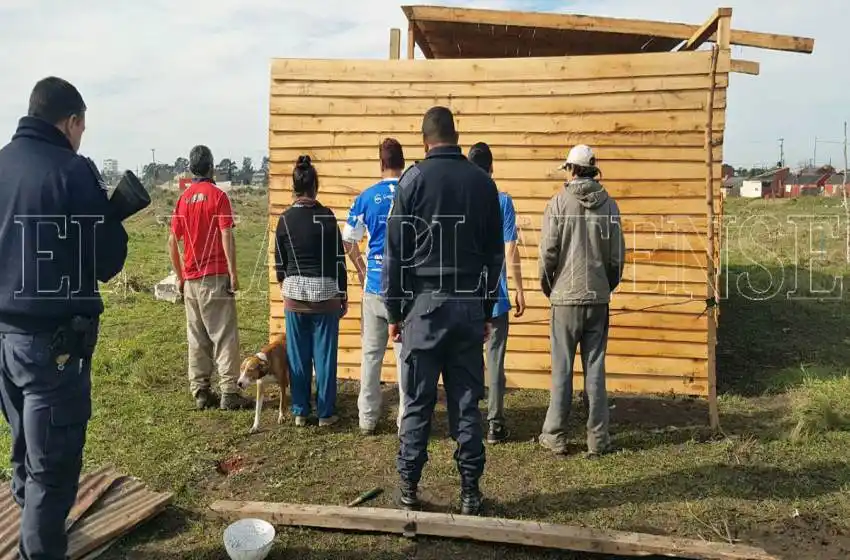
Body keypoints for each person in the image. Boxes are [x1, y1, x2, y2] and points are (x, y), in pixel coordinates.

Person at [0, 77, 128, 560]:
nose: (81, 136)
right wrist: (111, 219)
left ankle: (35, 535)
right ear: (70, 121)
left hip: (5, 342)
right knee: (52, 468)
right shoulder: (70, 171)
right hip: (51, 349)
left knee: (25, 453)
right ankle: (41, 549)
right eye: (82, 127)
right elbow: (107, 261)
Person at [384, 107, 504, 516]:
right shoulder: (482, 183)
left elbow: (396, 254)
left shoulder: (413, 180)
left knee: (417, 402)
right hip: (468, 305)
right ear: (456, 135)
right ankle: (470, 491)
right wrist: (486, 308)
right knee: (467, 403)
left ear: (424, 141)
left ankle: (408, 488)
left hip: (423, 308)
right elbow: (494, 256)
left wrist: (394, 312)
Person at [538, 144, 625, 459]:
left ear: (571, 170)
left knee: (562, 367)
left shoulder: (558, 204)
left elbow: (548, 252)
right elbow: (617, 257)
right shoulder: (610, 206)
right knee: (595, 367)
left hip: (564, 298)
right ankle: (598, 439)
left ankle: (555, 435)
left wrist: (549, 287)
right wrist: (606, 286)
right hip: (597, 298)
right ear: (593, 170)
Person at [169, 145, 252, 411]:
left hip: (191, 279)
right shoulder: (218, 197)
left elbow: (172, 241)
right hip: (215, 276)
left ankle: (201, 391)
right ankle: (229, 391)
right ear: (211, 167)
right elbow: (226, 233)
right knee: (225, 334)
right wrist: (233, 273)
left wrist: (180, 277)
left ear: (191, 169)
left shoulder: (183, 200)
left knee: (197, 336)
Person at [274, 155, 347, 427]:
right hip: (326, 295)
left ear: (294, 188)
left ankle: (300, 411)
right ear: (315, 187)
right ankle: (326, 413)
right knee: (325, 356)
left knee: (298, 355)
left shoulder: (284, 220)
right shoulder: (327, 218)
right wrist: (342, 294)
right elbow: (338, 259)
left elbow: (279, 262)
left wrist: (285, 284)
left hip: (295, 296)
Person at [342, 139, 406, 436]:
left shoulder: (367, 197)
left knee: (371, 354)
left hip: (375, 285)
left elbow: (348, 239)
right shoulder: (415, 193)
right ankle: (406, 419)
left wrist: (362, 268)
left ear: (381, 164)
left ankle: (367, 418)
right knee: (406, 356)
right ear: (403, 163)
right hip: (406, 289)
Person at [467, 142, 526, 445]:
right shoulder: (503, 201)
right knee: (496, 359)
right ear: (492, 169)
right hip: (496, 293)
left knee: (468, 357)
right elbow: (510, 249)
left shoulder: (460, 200)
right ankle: (495, 423)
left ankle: (468, 419)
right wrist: (518, 287)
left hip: (465, 293)